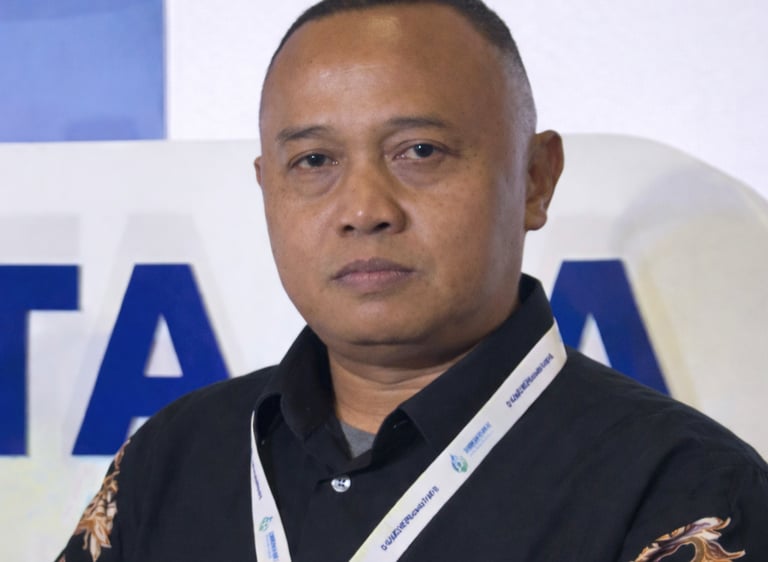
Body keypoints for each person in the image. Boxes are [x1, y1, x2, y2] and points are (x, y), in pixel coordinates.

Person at [57, 1, 768, 561]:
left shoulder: (684, 490)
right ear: (266, 187)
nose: (364, 209)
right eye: (314, 161)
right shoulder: (175, 456)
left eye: (419, 151)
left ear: (534, 179)